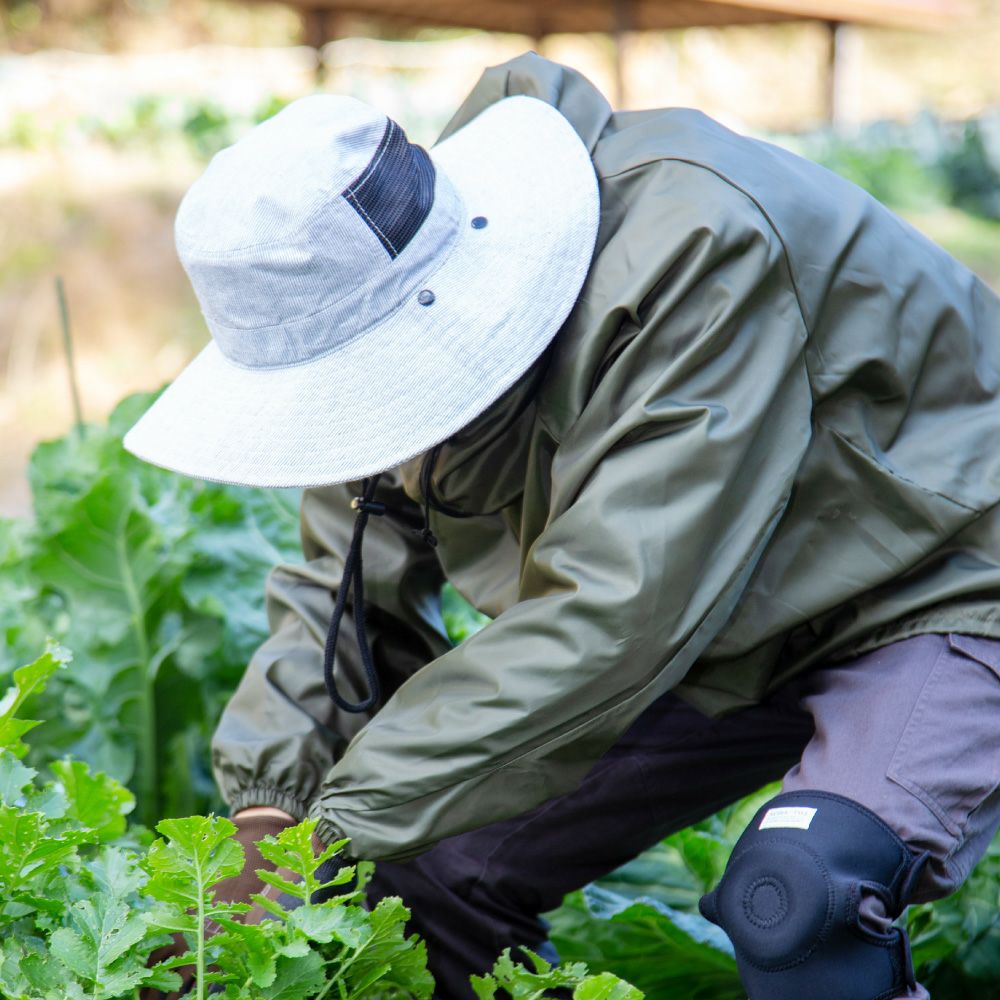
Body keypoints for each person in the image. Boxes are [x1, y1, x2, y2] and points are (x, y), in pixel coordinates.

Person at [127, 52, 1000, 1000]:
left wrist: (328, 832)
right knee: (433, 867)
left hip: (940, 568)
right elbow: (342, 592)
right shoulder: (355, 300)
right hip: (732, 617)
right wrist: (270, 812)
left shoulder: (695, 248)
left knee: (800, 898)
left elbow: (617, 614)